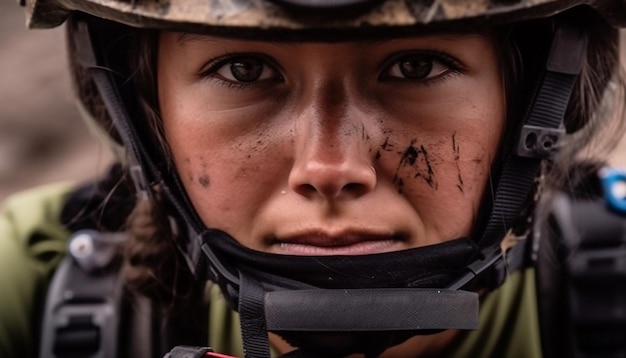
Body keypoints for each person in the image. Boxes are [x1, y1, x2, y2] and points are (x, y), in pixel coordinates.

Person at [2, 0, 626, 357]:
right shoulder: (29, 287)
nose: (328, 169)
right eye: (244, 70)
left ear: (540, 106)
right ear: (146, 112)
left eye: (415, 66)